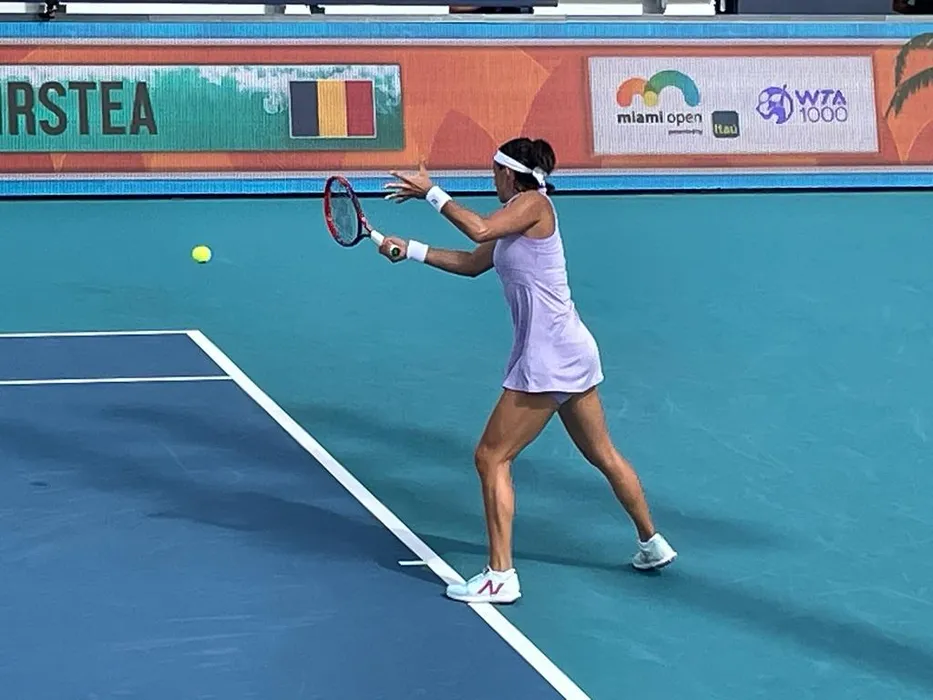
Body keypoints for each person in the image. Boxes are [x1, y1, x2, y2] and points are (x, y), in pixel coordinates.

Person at [380, 138, 677, 604]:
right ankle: (652, 543)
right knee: (602, 453)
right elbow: (473, 262)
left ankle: (500, 575)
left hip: (547, 358)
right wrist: (412, 250)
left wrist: (431, 193)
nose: (491, 180)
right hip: (571, 352)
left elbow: (478, 229)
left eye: (493, 172)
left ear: (508, 173)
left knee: (491, 457)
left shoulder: (534, 204)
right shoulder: (514, 218)